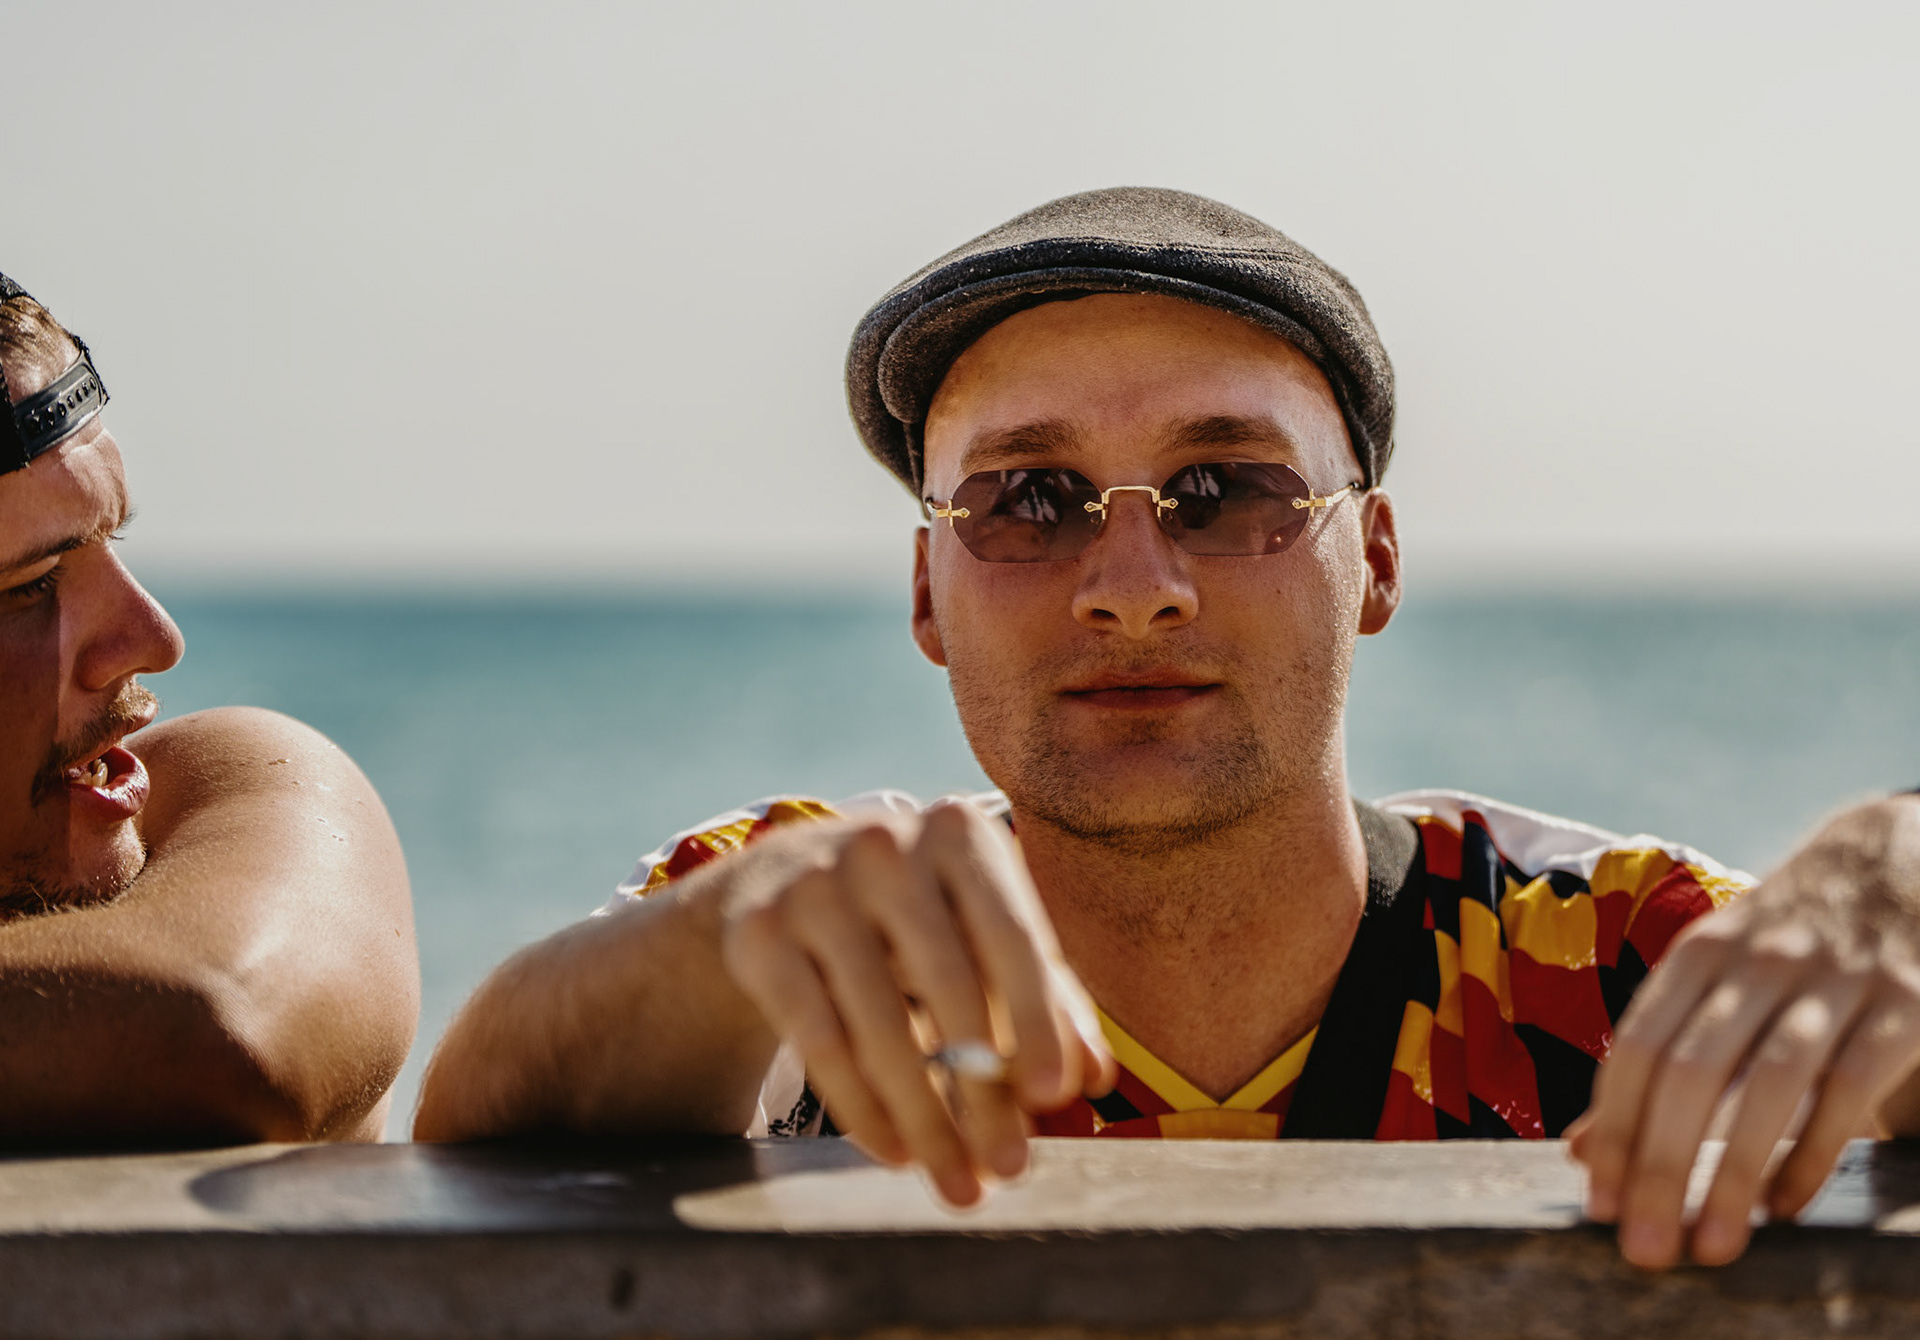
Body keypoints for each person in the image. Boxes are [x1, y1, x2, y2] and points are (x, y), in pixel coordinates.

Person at [412, 189, 1920, 1270]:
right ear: (929, 590)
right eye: (1029, 502)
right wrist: (723, 938)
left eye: (1228, 493)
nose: (1133, 591)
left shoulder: (1598, 957)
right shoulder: (815, 923)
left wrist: (1895, 868)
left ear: (1375, 560)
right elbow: (489, 1108)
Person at [0, 271, 419, 1143]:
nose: (153, 637)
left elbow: (221, 1025)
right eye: (32, 587)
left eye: (112, 540)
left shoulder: (231, 789)